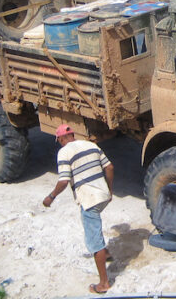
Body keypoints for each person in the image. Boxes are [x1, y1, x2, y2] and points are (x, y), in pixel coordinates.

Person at [43, 125, 114, 295]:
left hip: (89, 199)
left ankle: (103, 283)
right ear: (72, 135)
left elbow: (63, 181)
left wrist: (51, 197)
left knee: (93, 238)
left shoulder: (64, 152)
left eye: (59, 141)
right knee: (92, 223)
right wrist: (109, 191)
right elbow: (110, 167)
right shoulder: (91, 145)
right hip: (103, 195)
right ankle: (106, 253)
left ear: (60, 139)